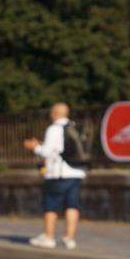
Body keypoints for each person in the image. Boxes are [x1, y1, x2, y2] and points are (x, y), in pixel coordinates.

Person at [24, 102, 86, 249]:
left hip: (58, 173)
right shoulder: (75, 127)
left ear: (54, 114)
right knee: (72, 205)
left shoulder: (54, 129)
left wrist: (35, 147)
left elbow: (46, 152)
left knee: (50, 205)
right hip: (76, 171)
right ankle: (69, 238)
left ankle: (49, 236)